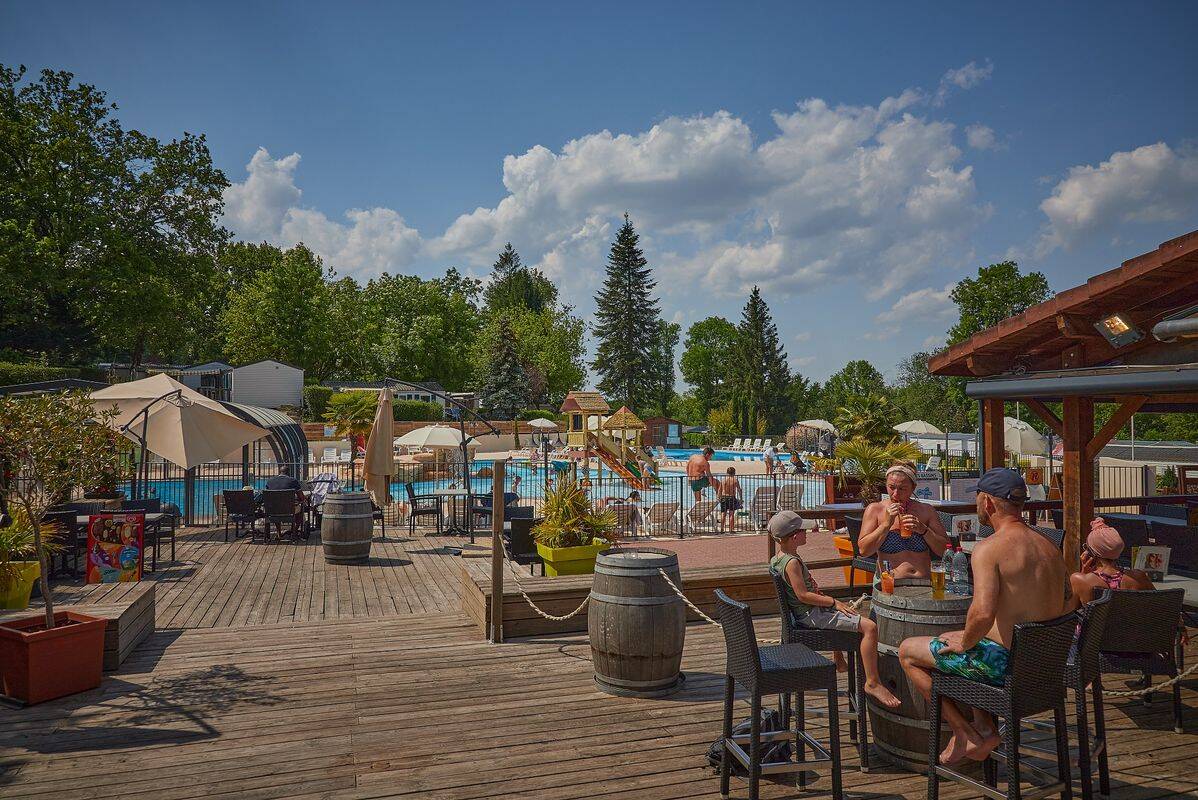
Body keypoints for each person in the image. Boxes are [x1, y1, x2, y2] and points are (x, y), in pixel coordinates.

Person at [898, 468, 1070, 765]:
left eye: (978, 498)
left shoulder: (989, 549)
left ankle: (964, 732)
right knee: (957, 638)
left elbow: (982, 613)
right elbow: (1068, 603)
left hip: (1005, 669)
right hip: (1044, 667)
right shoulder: (1049, 547)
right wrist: (968, 638)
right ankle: (985, 726)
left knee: (908, 652)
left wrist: (965, 641)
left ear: (988, 503)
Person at [769, 510, 901, 709]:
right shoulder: (792, 563)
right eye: (804, 530)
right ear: (795, 536)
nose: (807, 532)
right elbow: (803, 595)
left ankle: (839, 660)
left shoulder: (778, 558)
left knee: (843, 613)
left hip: (807, 612)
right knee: (869, 627)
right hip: (810, 615)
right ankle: (872, 682)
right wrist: (833, 602)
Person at [858, 463, 949, 578]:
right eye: (891, 487)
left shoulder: (926, 510)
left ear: (913, 488)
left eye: (902, 488)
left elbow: (945, 551)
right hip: (891, 585)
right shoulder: (876, 509)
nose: (895, 494)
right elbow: (864, 550)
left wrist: (924, 530)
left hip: (924, 584)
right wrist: (886, 524)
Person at [1069, 517, 1154, 608]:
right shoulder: (1139, 577)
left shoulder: (1078, 579)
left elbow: (1069, 612)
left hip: (1098, 622)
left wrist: (1084, 574)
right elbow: (1160, 604)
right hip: (1130, 622)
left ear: (1091, 553)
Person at [716, 467, 742, 532]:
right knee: (731, 514)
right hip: (731, 498)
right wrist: (741, 498)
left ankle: (722, 529)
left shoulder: (723, 480)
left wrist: (718, 497)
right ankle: (731, 529)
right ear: (734, 473)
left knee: (723, 514)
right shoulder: (735, 480)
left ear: (727, 473)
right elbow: (739, 490)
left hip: (724, 498)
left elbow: (719, 490)